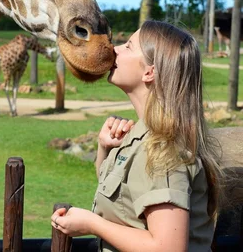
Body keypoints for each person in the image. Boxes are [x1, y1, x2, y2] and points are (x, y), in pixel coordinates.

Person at [51, 20, 222, 252]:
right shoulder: (144, 135)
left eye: (128, 46)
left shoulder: (164, 150)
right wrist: (105, 149)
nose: (115, 49)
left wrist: (92, 224)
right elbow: (124, 196)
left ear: (150, 72)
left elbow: (168, 248)